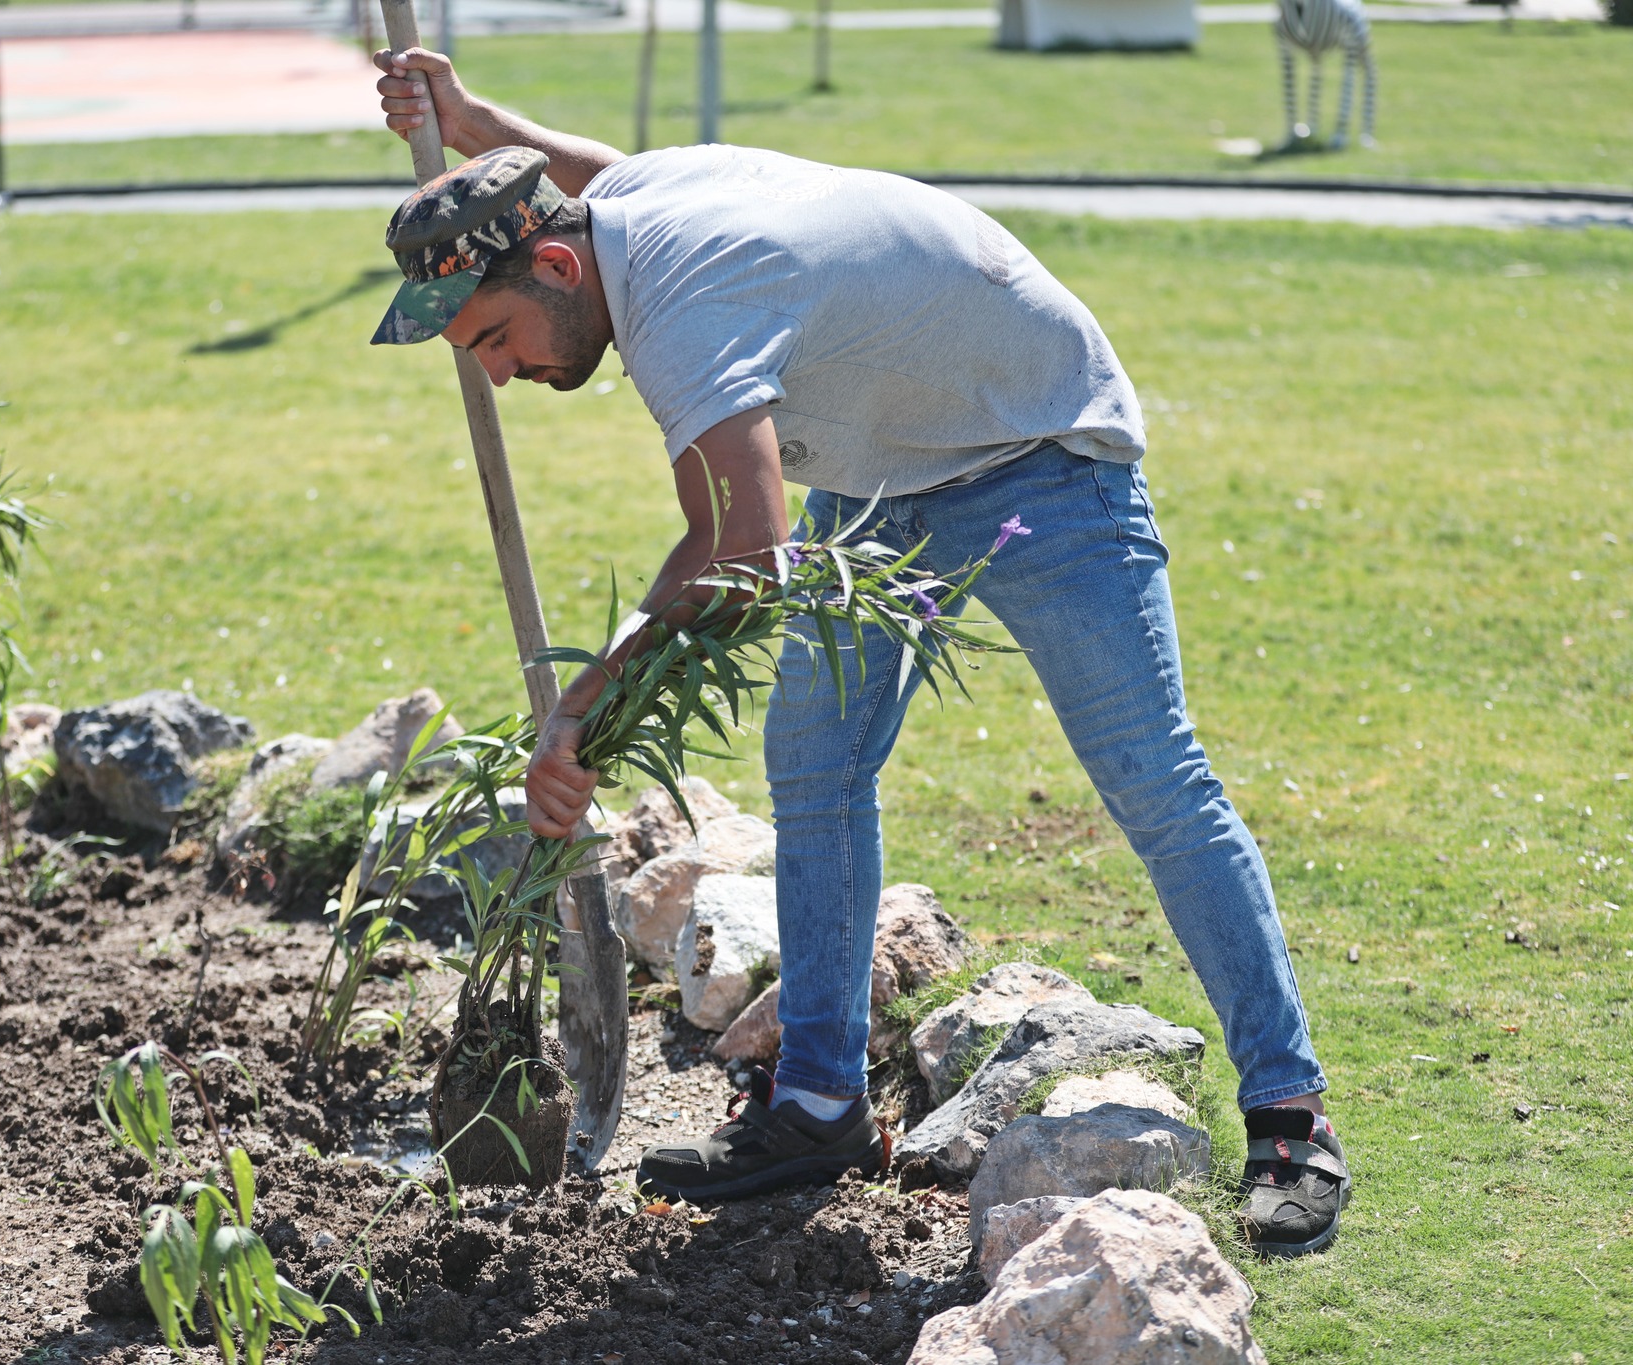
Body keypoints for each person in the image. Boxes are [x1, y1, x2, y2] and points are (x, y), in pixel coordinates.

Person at [368, 48, 1350, 1259]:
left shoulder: (680, 305)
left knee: (1153, 780)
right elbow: (586, 177)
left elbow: (744, 549)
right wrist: (471, 125)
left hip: (1034, 450)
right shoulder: (616, 212)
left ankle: (1288, 1112)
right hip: (884, 475)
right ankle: (820, 1110)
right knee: (816, 770)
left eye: (494, 335)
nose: (500, 372)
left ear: (559, 269)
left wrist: (577, 706)